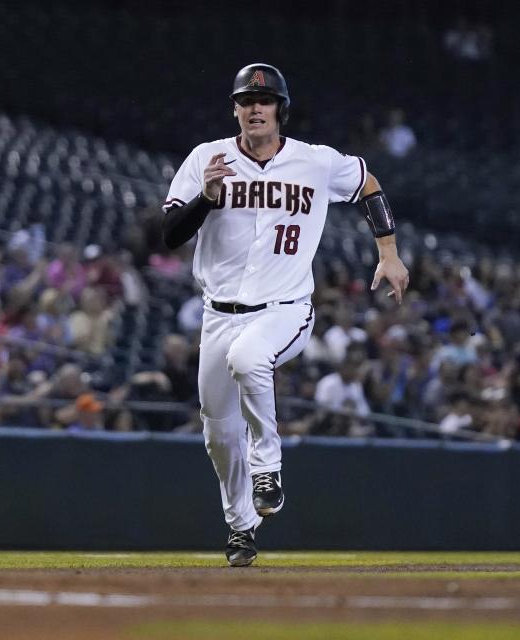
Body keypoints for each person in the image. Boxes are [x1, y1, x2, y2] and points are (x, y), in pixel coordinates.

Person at [160, 63, 409, 567]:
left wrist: (388, 251)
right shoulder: (206, 159)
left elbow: (369, 184)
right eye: (246, 101)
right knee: (217, 432)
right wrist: (206, 200)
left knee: (250, 357)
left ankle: (267, 468)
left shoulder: (313, 163)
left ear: (281, 110)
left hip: (285, 309)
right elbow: (169, 233)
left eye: (266, 100)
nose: (255, 108)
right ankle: (240, 529)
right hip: (218, 313)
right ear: (235, 109)